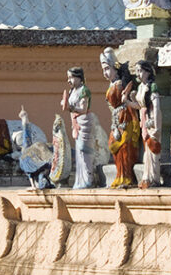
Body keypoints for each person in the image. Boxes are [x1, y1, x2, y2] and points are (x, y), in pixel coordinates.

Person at [100, 47, 140, 188]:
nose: (105, 73)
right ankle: (120, 175)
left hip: (126, 118)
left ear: (115, 68)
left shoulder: (121, 85)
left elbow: (130, 100)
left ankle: (126, 177)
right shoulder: (112, 85)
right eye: (103, 70)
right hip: (116, 119)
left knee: (124, 147)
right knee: (114, 145)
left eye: (107, 69)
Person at [61, 67, 99, 189]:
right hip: (76, 122)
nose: (69, 81)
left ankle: (89, 178)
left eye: (71, 77)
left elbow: (83, 109)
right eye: (68, 78)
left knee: (85, 149)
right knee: (79, 152)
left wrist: (70, 107)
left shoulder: (84, 91)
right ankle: (80, 181)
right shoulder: (72, 91)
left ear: (79, 78)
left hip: (84, 122)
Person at [133, 60, 162, 188]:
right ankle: (147, 176)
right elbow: (139, 106)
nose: (138, 74)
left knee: (153, 148)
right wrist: (128, 100)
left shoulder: (152, 87)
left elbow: (156, 106)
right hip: (144, 119)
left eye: (140, 71)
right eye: (136, 71)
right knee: (147, 150)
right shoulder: (140, 87)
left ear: (148, 72)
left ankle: (154, 178)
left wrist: (155, 124)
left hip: (152, 118)